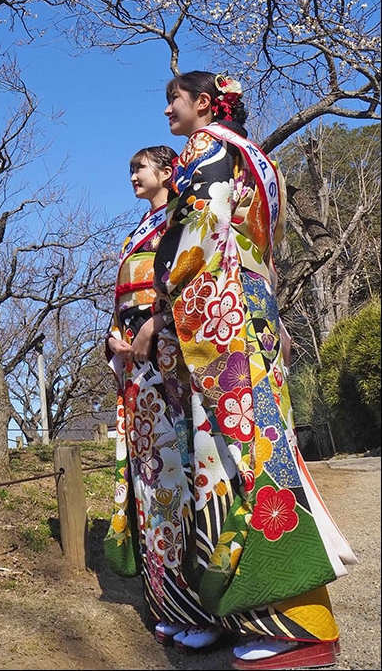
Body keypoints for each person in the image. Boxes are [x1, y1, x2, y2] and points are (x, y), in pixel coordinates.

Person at [147, 70, 357, 670]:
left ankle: (294, 625)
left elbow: (194, 241)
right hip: (255, 311)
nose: (168, 113)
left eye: (174, 102)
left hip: (221, 319)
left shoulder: (209, 150)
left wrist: (165, 304)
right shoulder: (259, 160)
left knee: (236, 459)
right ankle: (278, 615)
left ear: (206, 106)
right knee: (264, 447)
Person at [103, 144, 222, 644]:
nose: (133, 175)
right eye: (129, 168)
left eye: (140, 168)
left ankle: (202, 611)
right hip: (137, 367)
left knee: (181, 474)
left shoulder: (181, 219)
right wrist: (114, 338)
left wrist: (156, 321)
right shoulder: (137, 232)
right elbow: (124, 298)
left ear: (167, 171)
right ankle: (168, 604)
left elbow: (191, 283)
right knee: (152, 482)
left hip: (171, 361)